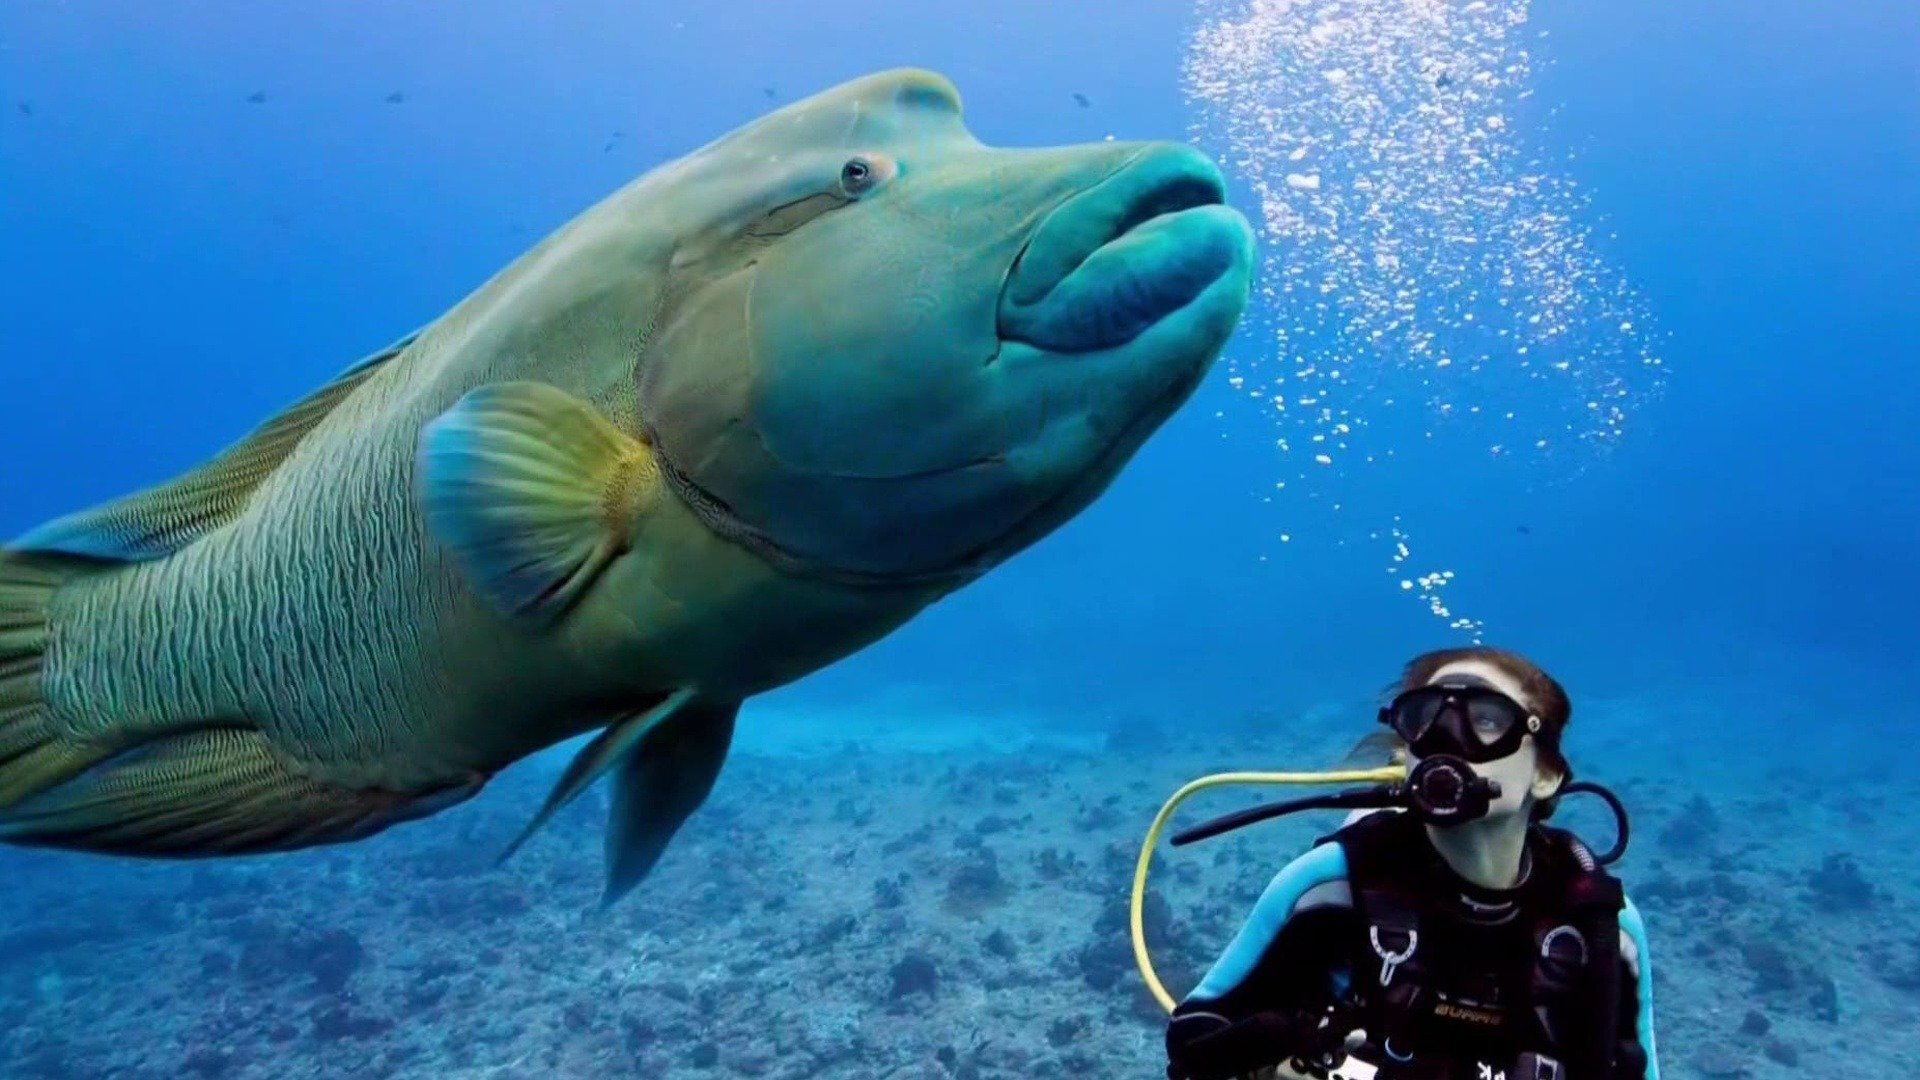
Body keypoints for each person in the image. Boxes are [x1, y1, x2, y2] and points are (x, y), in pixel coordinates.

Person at [1165, 647, 1658, 1080]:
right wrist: (1277, 1055)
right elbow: (1193, 1035)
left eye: (1487, 719)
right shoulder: (1330, 883)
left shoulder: (1599, 921)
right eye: (1424, 718)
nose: (1445, 738)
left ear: (1546, 775)